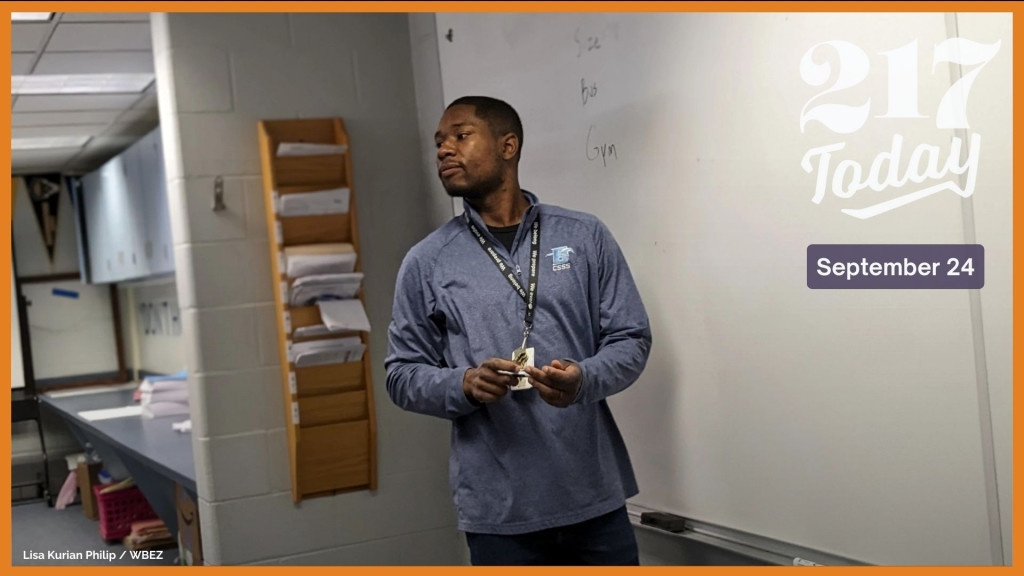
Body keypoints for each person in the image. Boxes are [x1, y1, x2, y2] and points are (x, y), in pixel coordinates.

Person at [385, 96, 652, 566]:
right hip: (501, 516)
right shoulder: (426, 262)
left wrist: (583, 379)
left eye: (461, 136)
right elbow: (401, 375)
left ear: (508, 145)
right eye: (439, 142)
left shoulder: (584, 236)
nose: (444, 150)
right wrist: (463, 383)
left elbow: (631, 338)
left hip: (595, 501)